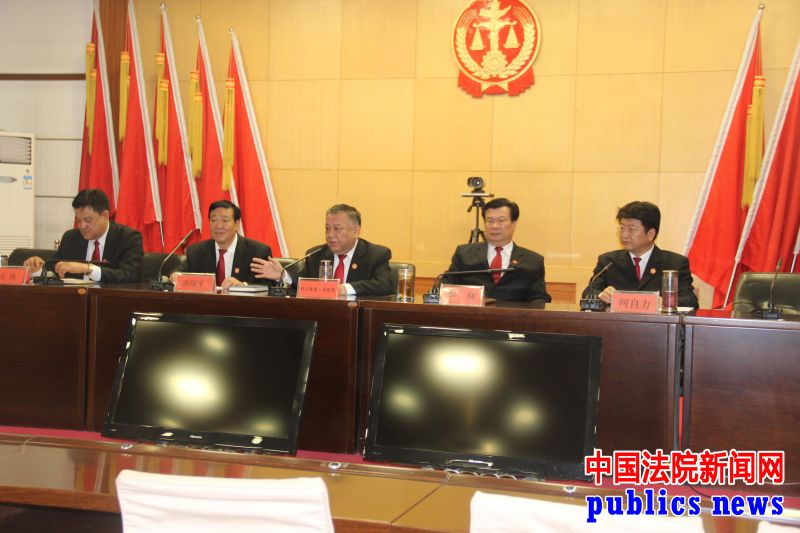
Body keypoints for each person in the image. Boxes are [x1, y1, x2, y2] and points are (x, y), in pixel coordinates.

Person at [251, 204, 392, 296]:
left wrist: (343, 288)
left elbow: (384, 285)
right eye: (327, 228)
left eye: (337, 229)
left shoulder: (376, 255)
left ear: (355, 231)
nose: (330, 234)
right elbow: (303, 285)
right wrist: (283, 275)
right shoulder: (316, 254)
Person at [583, 200, 699, 308]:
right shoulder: (608, 261)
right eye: (622, 228)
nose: (624, 235)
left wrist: (663, 302)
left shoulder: (675, 263)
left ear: (650, 234)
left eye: (631, 229)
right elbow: (589, 292)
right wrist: (601, 295)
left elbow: (690, 301)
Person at [442, 197, 551, 302]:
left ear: (514, 223)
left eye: (501, 220)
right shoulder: (464, 254)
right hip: (472, 314)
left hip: (513, 315)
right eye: (490, 220)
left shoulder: (533, 261)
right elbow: (444, 289)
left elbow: (539, 300)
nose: (494, 226)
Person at [23, 188, 143, 283]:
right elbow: (54, 269)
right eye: (78, 220)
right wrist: (37, 269)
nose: (82, 226)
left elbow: (129, 275)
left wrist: (87, 269)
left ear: (105, 216)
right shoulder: (71, 238)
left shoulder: (128, 238)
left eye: (88, 220)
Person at [172, 200, 271, 289]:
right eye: (213, 220)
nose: (219, 226)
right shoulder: (196, 252)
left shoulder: (258, 252)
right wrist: (175, 277)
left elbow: (270, 286)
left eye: (225, 220)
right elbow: (178, 274)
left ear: (237, 224)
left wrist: (243, 286)